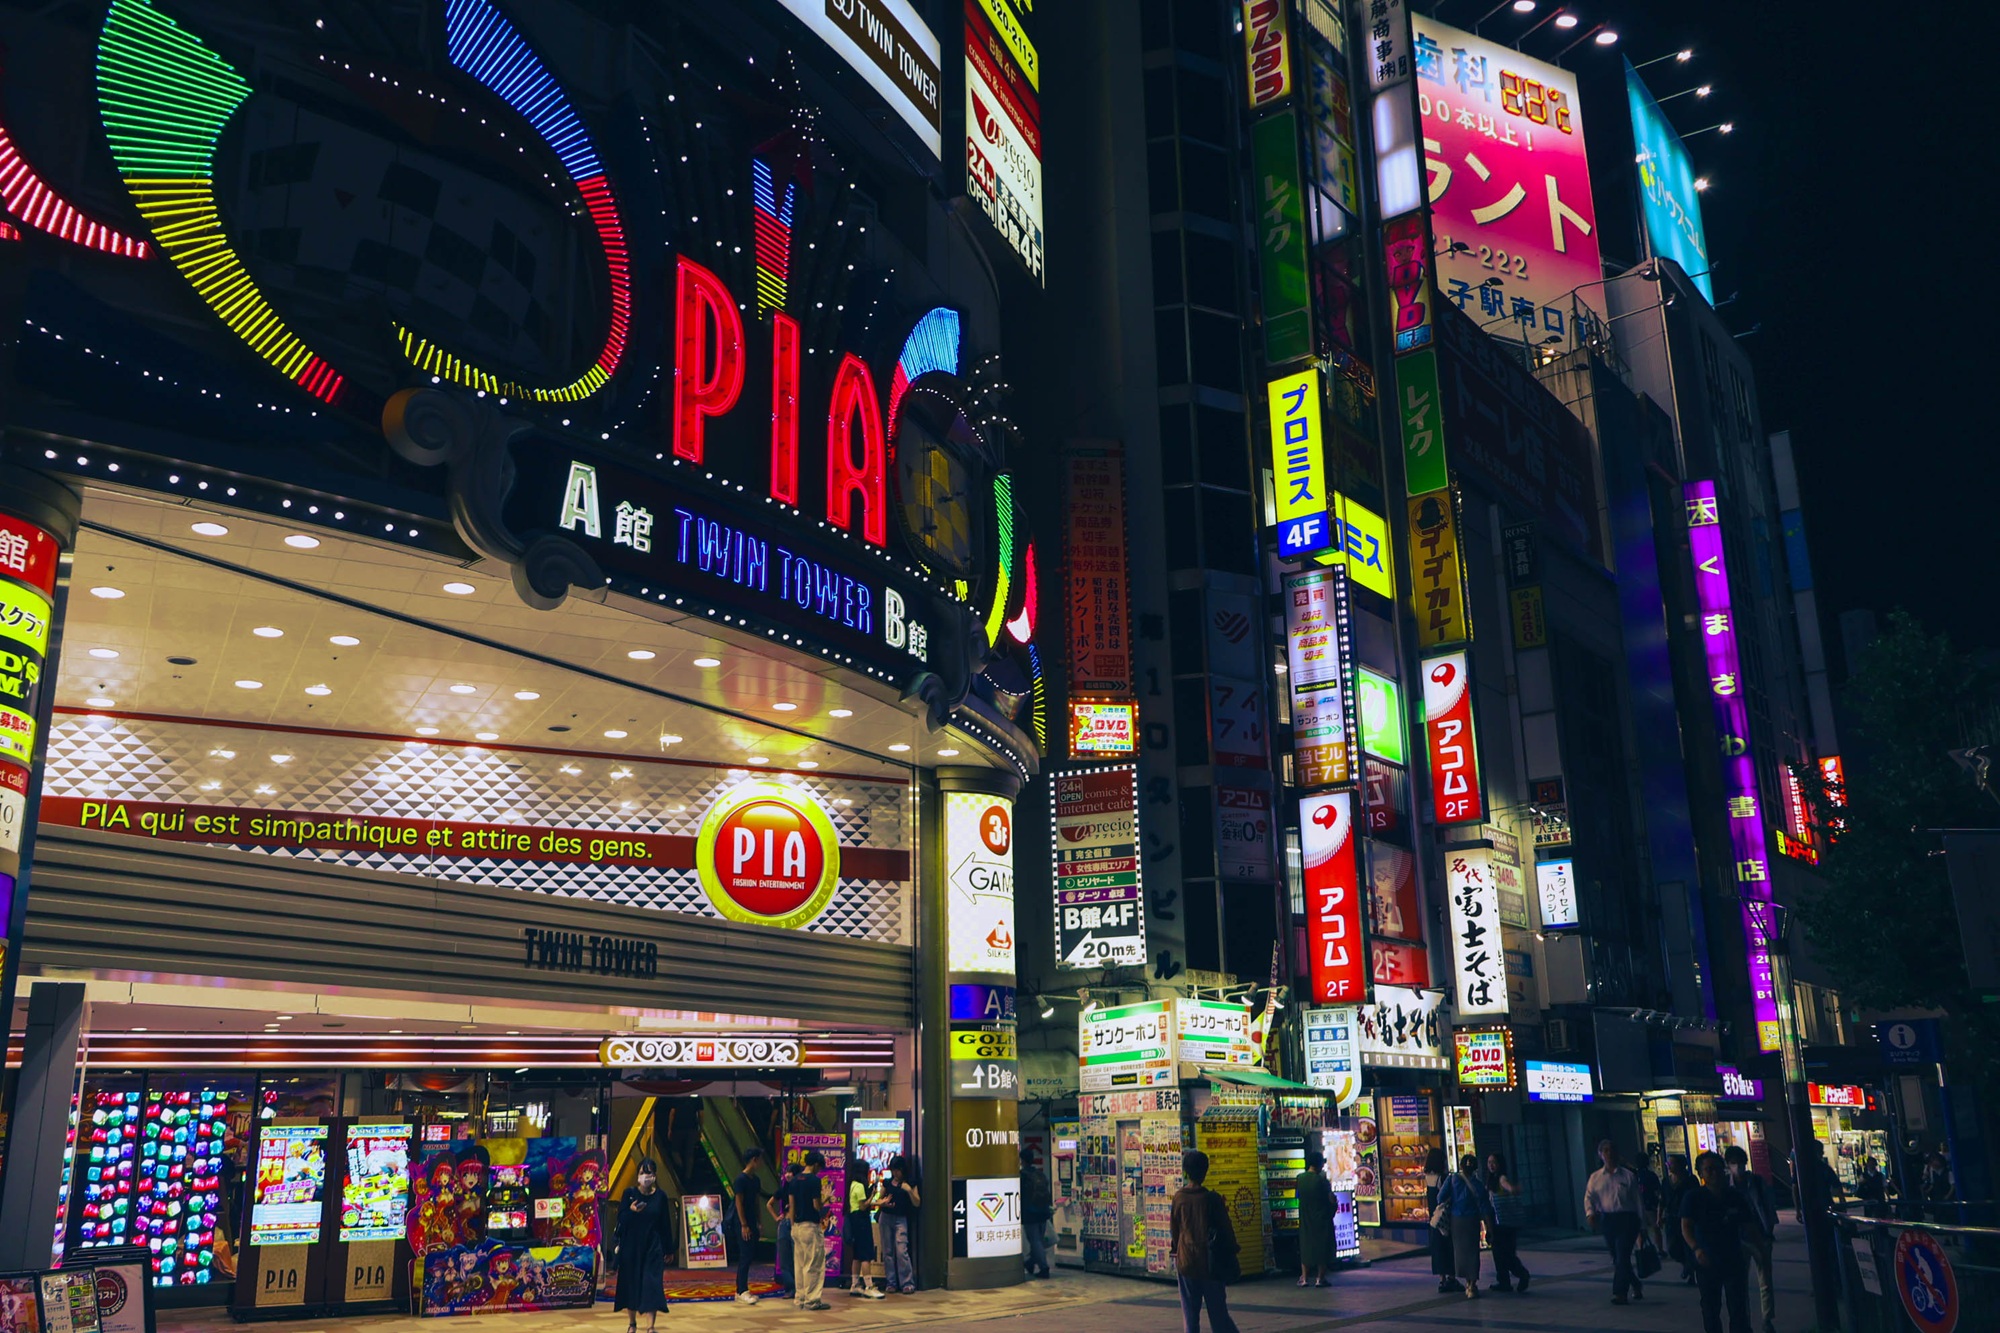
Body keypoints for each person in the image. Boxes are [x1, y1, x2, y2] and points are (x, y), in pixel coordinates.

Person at [1680, 1150, 1765, 1333]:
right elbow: (1686, 1226)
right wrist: (1696, 1248)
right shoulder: (1694, 1197)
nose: (1714, 1173)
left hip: (1733, 1257)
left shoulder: (1734, 1197)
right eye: (1708, 1169)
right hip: (1706, 1259)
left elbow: (1749, 1225)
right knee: (1710, 1307)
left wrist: (1761, 1248)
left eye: (1717, 1168)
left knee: (1738, 1306)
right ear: (1700, 1173)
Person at [1169, 1150, 1241, 1333]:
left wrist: (1176, 1251)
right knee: (1219, 1316)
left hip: (1186, 1263)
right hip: (1211, 1264)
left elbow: (1175, 1231)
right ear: (1205, 1171)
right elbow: (1226, 1229)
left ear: (1186, 1171)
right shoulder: (1212, 1199)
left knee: (1190, 1318)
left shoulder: (1179, 1198)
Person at [1723, 1145, 1779, 1333]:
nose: (1737, 1167)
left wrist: (1769, 1232)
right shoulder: (1726, 1186)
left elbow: (1768, 1208)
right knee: (1740, 1283)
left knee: (1766, 1281)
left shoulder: (1755, 1182)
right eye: (1733, 1163)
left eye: (1739, 1163)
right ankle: (1743, 1319)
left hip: (1760, 1236)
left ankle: (1767, 1319)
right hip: (1738, 1239)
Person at [612, 1158, 671, 1333]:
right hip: (631, 1247)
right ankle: (632, 1323)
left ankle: (650, 1327)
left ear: (655, 1175)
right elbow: (621, 1220)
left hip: (653, 1247)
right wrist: (630, 1211)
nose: (646, 1176)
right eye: (643, 1173)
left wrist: (669, 1249)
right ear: (637, 1175)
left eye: (650, 1173)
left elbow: (665, 1224)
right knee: (631, 1284)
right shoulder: (629, 1193)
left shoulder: (660, 1196)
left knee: (651, 1284)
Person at [1585, 1139, 1646, 1305]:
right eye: (1605, 1150)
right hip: (1608, 1219)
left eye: (1612, 1150)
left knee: (1622, 1255)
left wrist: (1642, 1226)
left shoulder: (1628, 1176)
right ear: (1601, 1154)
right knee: (1619, 1258)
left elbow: (1637, 1201)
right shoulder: (1595, 1178)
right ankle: (1635, 1283)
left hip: (1627, 1219)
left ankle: (1620, 1292)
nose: (1609, 1153)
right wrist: (1590, 1214)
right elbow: (1589, 1197)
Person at [1434, 1153, 1496, 1298]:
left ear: (1461, 1166)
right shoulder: (1478, 1185)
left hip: (1457, 1221)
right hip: (1473, 1221)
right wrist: (1489, 1228)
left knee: (1460, 1252)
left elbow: (1440, 1198)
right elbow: (1485, 1208)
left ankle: (1466, 1281)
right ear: (1475, 1168)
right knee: (1473, 1252)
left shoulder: (1452, 1179)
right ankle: (1472, 1284)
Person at [782, 1149, 834, 1311]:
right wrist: (826, 1198)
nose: (820, 1170)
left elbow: (791, 1205)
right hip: (810, 1227)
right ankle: (812, 1300)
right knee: (813, 1264)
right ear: (816, 1164)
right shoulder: (814, 1181)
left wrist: (792, 1224)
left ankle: (800, 1298)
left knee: (799, 1264)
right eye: (820, 1167)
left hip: (796, 1226)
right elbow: (816, 1206)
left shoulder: (795, 1180)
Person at [1482, 1152, 1531, 1293]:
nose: (1491, 1165)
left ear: (1499, 1164)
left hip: (1504, 1222)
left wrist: (1513, 1189)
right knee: (1499, 1253)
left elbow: (1508, 1186)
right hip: (1498, 1221)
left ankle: (1521, 1274)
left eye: (1494, 1162)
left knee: (1505, 1253)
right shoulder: (1490, 1179)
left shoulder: (1501, 1178)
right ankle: (1504, 1281)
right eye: (1489, 1162)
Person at [877, 1155, 921, 1294]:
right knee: (888, 1251)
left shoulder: (910, 1183)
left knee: (902, 1250)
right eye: (893, 1170)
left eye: (898, 1170)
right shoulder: (887, 1182)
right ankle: (891, 1282)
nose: (895, 1173)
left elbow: (917, 1202)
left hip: (901, 1218)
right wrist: (884, 1203)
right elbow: (879, 1200)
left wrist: (908, 1190)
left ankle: (907, 1282)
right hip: (886, 1217)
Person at [1294, 1149, 1336, 1288]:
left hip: (1305, 1218)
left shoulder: (1300, 1178)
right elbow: (1331, 1200)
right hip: (1321, 1218)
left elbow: (1298, 1196)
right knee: (1322, 1247)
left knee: (1306, 1247)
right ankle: (1320, 1279)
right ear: (1319, 1164)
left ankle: (1304, 1278)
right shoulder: (1322, 1180)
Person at [846, 1160, 887, 1298]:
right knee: (866, 1254)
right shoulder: (859, 1186)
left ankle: (855, 1284)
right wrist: (873, 1196)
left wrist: (875, 1199)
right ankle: (869, 1285)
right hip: (861, 1221)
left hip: (854, 1220)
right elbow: (863, 1206)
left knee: (857, 1255)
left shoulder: (852, 1184)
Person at [730, 1147, 766, 1305]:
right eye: (760, 1159)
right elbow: (739, 1203)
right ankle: (741, 1290)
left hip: (752, 1221)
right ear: (754, 1160)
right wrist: (744, 1224)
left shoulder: (756, 1180)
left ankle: (741, 1289)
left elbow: (757, 1202)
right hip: (742, 1222)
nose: (762, 1163)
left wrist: (758, 1221)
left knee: (749, 1254)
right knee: (745, 1255)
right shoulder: (740, 1180)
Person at [1422, 1146, 1455, 1293]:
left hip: (1433, 1219)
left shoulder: (1428, 1178)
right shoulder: (1443, 1178)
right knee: (1448, 1247)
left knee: (1437, 1249)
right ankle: (1451, 1278)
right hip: (1444, 1218)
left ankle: (1441, 1279)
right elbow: (1445, 1197)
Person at [1662, 1154, 1698, 1283]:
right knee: (1673, 1247)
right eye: (1668, 1163)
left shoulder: (1690, 1180)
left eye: (1672, 1163)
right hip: (1672, 1217)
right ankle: (1686, 1265)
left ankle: (1691, 1272)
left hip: (1688, 1216)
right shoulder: (1666, 1181)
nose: (1669, 1166)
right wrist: (1659, 1216)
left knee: (1688, 1245)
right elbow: (1663, 1199)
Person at [1021, 1147, 1055, 1279]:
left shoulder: (1023, 1175)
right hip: (1043, 1212)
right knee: (1038, 1240)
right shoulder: (1040, 1174)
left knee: (1035, 1241)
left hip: (1030, 1213)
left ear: (1022, 1160)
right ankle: (1030, 1262)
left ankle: (1044, 1268)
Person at [766, 1160, 797, 1300]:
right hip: (785, 1224)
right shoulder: (783, 1189)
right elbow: (769, 1204)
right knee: (784, 1258)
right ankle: (790, 1288)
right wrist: (776, 1217)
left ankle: (799, 1288)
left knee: (797, 1257)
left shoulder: (799, 1188)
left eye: (791, 1172)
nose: (788, 1175)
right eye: (787, 1172)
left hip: (797, 1224)